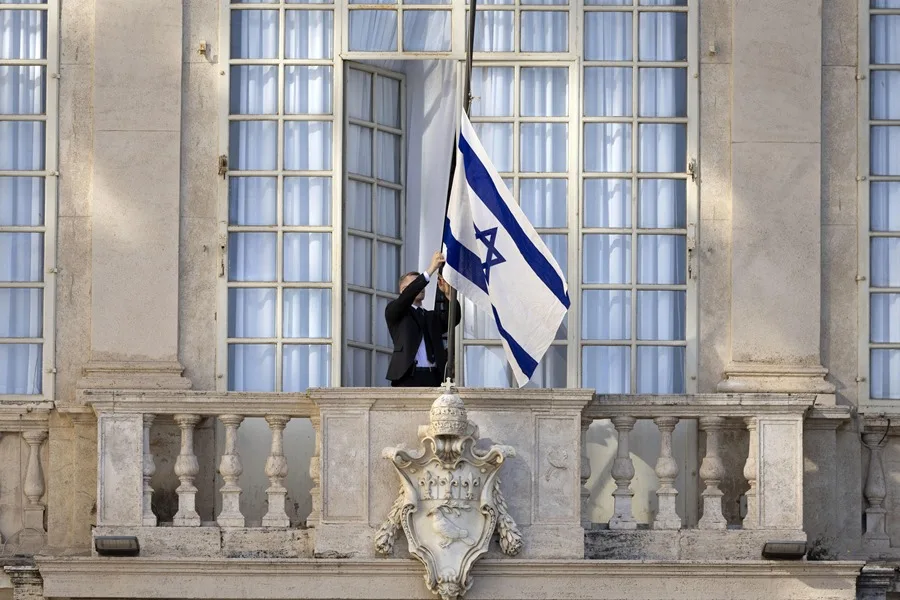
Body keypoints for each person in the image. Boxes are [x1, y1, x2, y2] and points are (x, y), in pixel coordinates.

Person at [385, 251, 461, 387]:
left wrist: (449, 295)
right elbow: (406, 298)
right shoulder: (396, 312)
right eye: (416, 284)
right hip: (408, 377)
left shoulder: (431, 317)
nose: (422, 287)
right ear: (404, 290)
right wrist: (430, 269)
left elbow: (453, 319)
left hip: (434, 376)